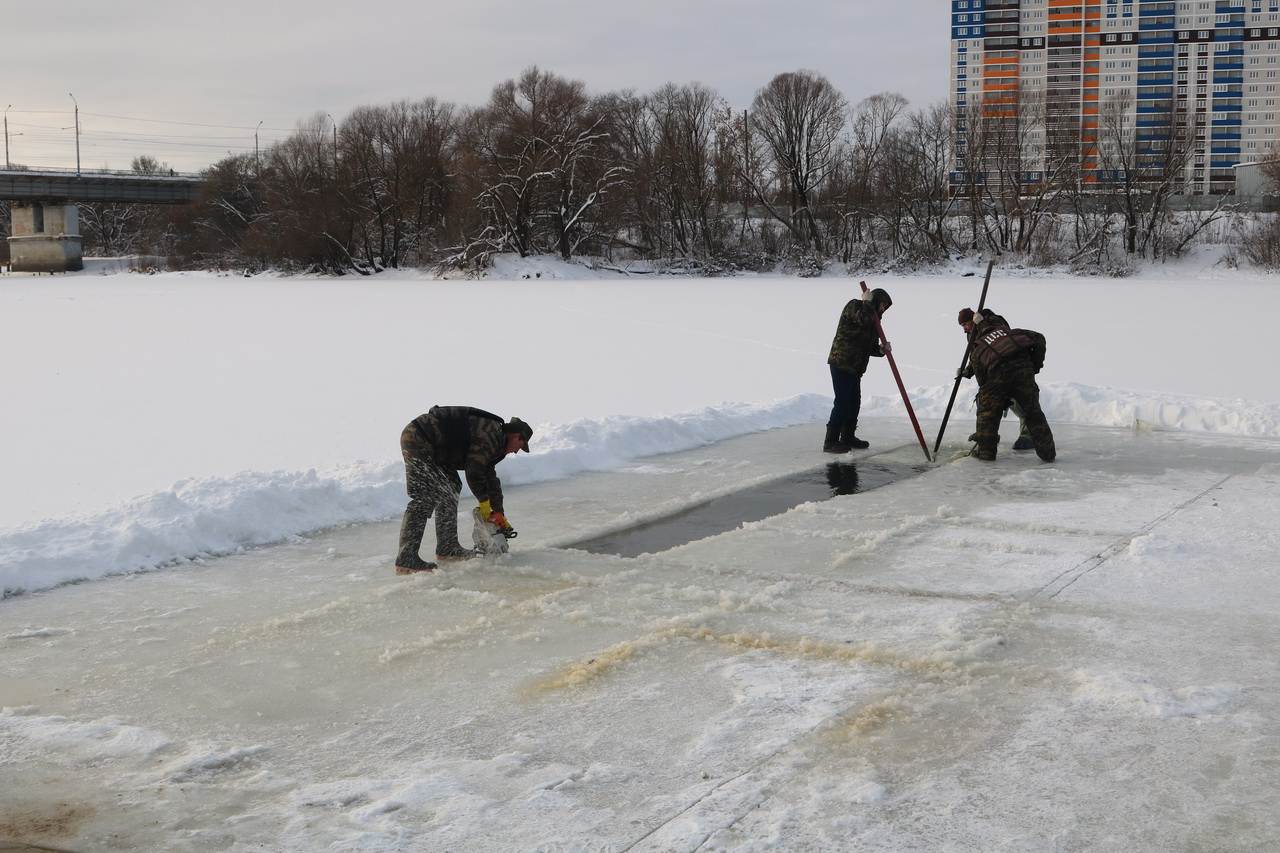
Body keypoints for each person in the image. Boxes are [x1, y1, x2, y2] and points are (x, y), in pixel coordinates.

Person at [396, 406, 533, 573]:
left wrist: (498, 512)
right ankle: (407, 559)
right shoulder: (491, 434)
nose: (517, 451)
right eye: (521, 445)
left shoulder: (497, 444)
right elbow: (474, 471)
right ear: (517, 436)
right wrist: (484, 503)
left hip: (438, 449)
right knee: (424, 495)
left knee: (452, 487)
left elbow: (489, 477)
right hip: (419, 438)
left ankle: (448, 548)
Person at [958, 308, 1055, 462]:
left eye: (966, 324)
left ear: (975, 322)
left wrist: (990, 395)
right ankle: (1048, 454)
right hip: (1023, 372)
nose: (964, 329)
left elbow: (981, 375)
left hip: (997, 376)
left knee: (987, 414)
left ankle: (986, 453)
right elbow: (1038, 338)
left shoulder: (980, 343)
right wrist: (1033, 365)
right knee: (1034, 413)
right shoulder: (1009, 333)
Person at [825, 287, 892, 453]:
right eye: (882, 304)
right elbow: (862, 318)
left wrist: (881, 350)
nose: (883, 309)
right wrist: (867, 303)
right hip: (842, 361)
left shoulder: (874, 320)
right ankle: (830, 441)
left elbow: (868, 346)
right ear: (875, 300)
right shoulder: (854, 306)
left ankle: (847, 436)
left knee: (854, 402)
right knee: (842, 402)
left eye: (885, 307)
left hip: (856, 367)